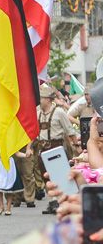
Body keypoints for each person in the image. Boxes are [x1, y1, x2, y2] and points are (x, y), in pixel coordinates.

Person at [35, 84, 77, 215]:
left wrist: (77, 147)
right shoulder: (38, 112)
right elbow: (34, 132)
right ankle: (53, 202)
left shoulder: (59, 112)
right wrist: (31, 147)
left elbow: (70, 130)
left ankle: (62, 203)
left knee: (59, 177)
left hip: (56, 147)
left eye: (41, 98)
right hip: (42, 148)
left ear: (48, 99)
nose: (40, 100)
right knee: (46, 178)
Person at [0, 121, 25, 216]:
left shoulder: (10, 143)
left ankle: (8, 207)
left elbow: (17, 154)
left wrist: (26, 155)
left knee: (9, 188)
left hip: (8, 165)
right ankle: (1, 206)